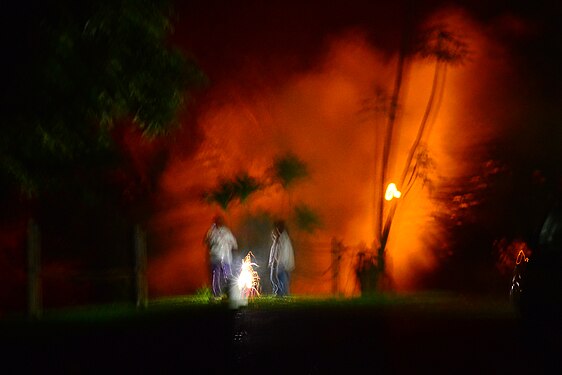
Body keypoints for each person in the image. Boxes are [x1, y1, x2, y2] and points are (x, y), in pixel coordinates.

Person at [205, 215, 238, 298]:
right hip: (215, 258)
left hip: (225, 258)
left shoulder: (226, 232)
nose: (219, 223)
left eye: (220, 221)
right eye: (217, 221)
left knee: (226, 276)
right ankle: (216, 294)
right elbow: (206, 242)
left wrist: (228, 245)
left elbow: (234, 244)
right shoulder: (211, 232)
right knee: (216, 277)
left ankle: (228, 293)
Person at [269, 220, 295, 296]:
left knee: (282, 280)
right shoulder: (279, 238)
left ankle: (283, 294)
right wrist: (272, 261)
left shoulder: (284, 239)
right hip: (279, 263)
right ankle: (279, 293)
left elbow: (285, 252)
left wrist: (283, 263)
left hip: (283, 264)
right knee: (276, 279)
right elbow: (274, 250)